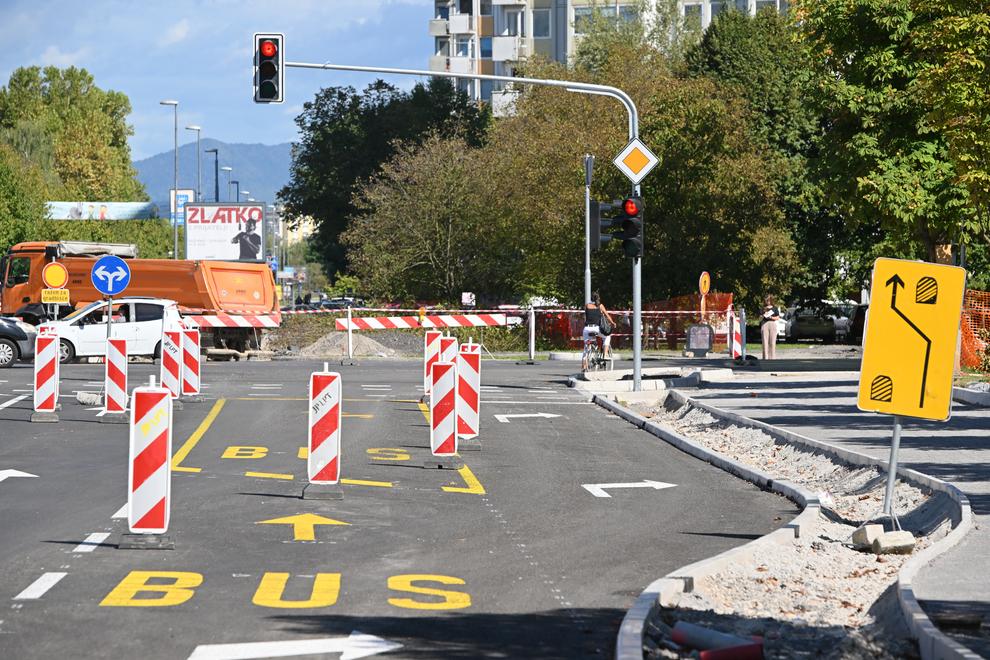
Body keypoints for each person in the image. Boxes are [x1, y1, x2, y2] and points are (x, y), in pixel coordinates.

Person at [582, 292, 618, 370]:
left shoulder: (587, 305)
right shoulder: (600, 306)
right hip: (596, 328)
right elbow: (607, 316)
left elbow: (586, 316)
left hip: (587, 329)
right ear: (599, 298)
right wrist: (613, 323)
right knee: (607, 336)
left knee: (586, 347)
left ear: (591, 298)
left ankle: (584, 366)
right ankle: (605, 354)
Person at [761, 295, 781, 360]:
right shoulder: (763, 308)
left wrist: (771, 317)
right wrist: (763, 315)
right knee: (765, 342)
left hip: (772, 324)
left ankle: (772, 358)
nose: (768, 302)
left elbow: (777, 317)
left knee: (772, 342)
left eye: (769, 300)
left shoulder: (775, 308)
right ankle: (765, 358)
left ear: (771, 301)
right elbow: (760, 317)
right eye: (766, 301)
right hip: (765, 324)